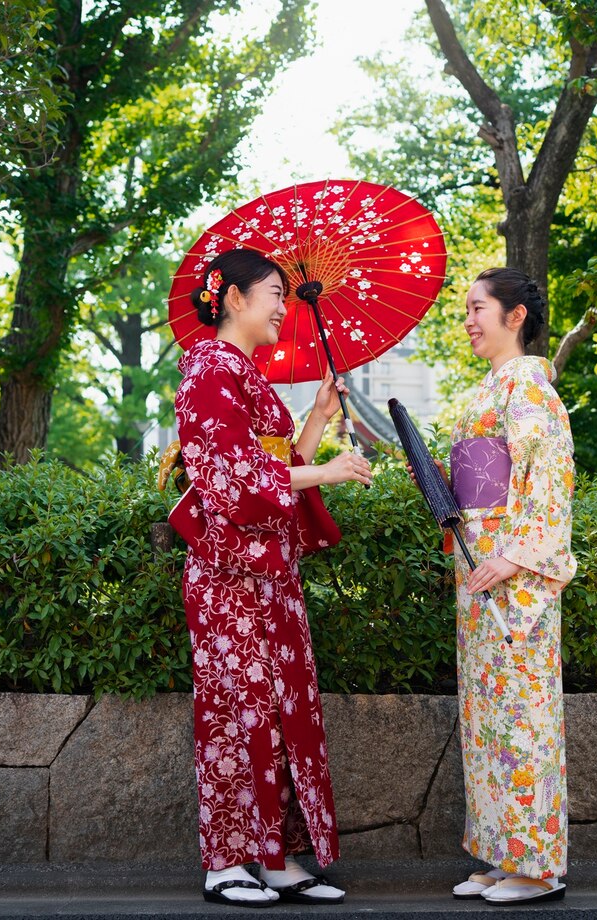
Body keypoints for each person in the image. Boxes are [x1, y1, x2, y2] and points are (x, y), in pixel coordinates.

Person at [171, 247, 372, 907]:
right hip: (230, 576)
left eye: (287, 296)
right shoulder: (208, 368)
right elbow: (233, 477)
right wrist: (331, 472)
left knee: (281, 714)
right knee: (236, 710)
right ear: (232, 298)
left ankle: (276, 854)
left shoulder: (241, 372)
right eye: (273, 294)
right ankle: (226, 860)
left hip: (269, 574)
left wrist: (316, 414)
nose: (284, 307)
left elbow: (279, 467)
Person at [443, 267, 577, 905]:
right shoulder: (492, 387)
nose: (468, 320)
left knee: (522, 718)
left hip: (511, 577)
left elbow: (547, 476)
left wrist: (517, 556)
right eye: (466, 309)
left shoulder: (526, 382)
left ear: (515, 316)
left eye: (478, 308)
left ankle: (536, 865)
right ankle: (502, 851)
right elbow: (479, 487)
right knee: (489, 720)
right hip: (480, 569)